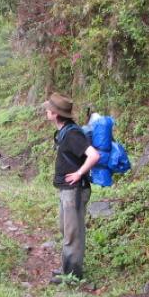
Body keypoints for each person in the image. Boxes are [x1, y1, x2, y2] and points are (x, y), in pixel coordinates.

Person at [42, 92, 100, 284]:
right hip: (66, 190)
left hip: (74, 190)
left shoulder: (73, 133)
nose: (46, 111)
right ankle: (66, 268)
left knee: (73, 232)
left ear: (55, 114)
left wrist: (79, 173)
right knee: (66, 229)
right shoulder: (64, 131)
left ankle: (73, 275)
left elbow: (93, 156)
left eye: (48, 110)